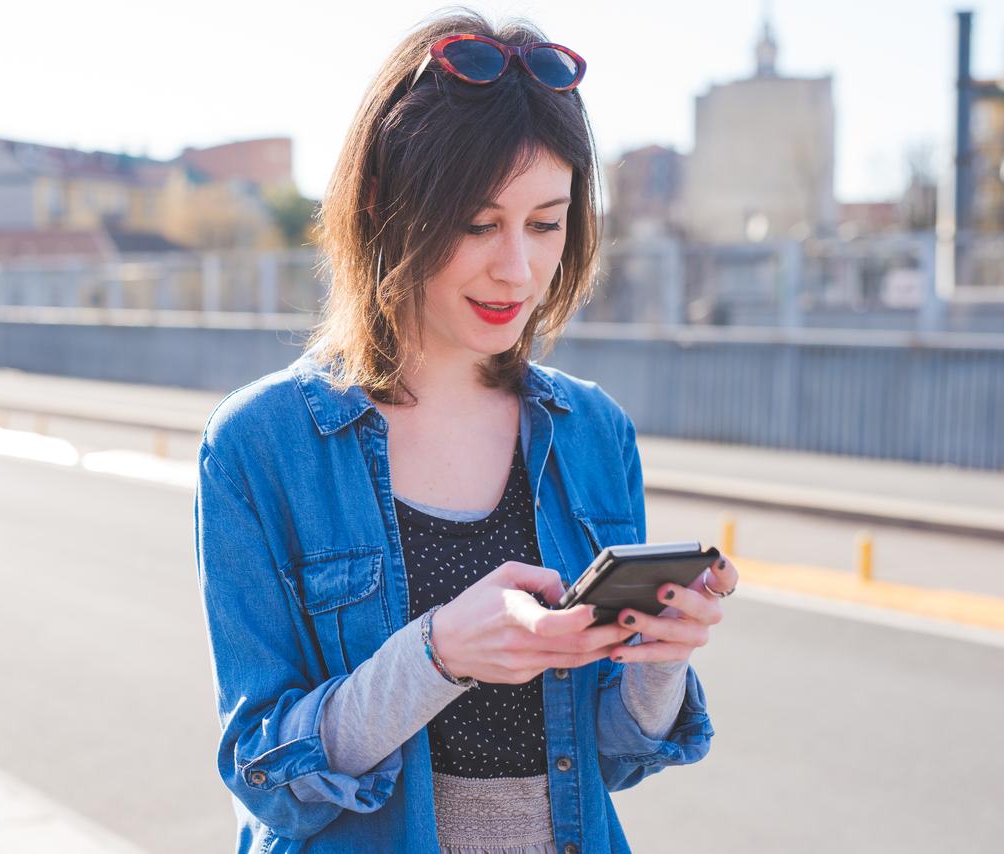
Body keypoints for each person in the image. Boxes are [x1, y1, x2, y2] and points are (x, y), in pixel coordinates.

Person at [193, 10, 738, 853]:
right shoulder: (263, 445)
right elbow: (266, 771)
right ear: (382, 204)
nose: (516, 267)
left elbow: (613, 758)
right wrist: (439, 655)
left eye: (546, 223)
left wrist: (661, 655)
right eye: (478, 224)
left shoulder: (594, 432)